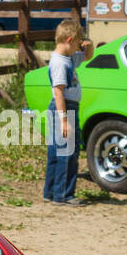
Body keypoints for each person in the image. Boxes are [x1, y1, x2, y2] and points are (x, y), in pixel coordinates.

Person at [44, 18, 93, 205]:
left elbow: (87, 55)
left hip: (65, 109)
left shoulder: (68, 58)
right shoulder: (60, 63)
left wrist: (89, 43)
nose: (79, 49)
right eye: (78, 44)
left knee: (57, 151)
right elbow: (58, 92)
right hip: (64, 109)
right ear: (70, 40)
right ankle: (64, 194)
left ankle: (51, 191)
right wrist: (64, 120)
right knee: (67, 152)